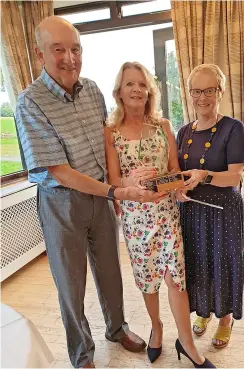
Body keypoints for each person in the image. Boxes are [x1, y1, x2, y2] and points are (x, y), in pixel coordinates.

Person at [15, 16, 165, 369]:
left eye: (76, 49)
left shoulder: (94, 90)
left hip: (102, 197)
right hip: (61, 204)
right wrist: (116, 190)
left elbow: (109, 143)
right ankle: (82, 354)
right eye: (59, 50)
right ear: (40, 55)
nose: (70, 58)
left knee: (111, 271)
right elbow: (59, 171)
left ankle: (117, 327)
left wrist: (125, 183)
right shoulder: (29, 103)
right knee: (71, 283)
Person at [104, 61, 215, 368]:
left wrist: (178, 187)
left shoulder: (163, 127)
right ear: (120, 92)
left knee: (175, 279)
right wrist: (132, 182)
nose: (137, 89)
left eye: (142, 84)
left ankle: (187, 343)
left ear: (150, 91)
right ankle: (157, 328)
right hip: (136, 219)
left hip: (166, 214)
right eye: (130, 84)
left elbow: (175, 171)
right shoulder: (110, 132)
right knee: (147, 281)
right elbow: (114, 182)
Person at [176, 64, 244, 349]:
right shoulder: (183, 132)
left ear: (220, 92)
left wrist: (204, 175)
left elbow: (234, 175)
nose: (202, 97)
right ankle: (204, 311)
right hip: (192, 211)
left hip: (223, 211)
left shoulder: (233, 128)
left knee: (224, 263)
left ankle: (225, 319)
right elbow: (179, 174)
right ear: (189, 93)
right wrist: (177, 189)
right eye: (196, 91)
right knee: (199, 263)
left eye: (209, 90)